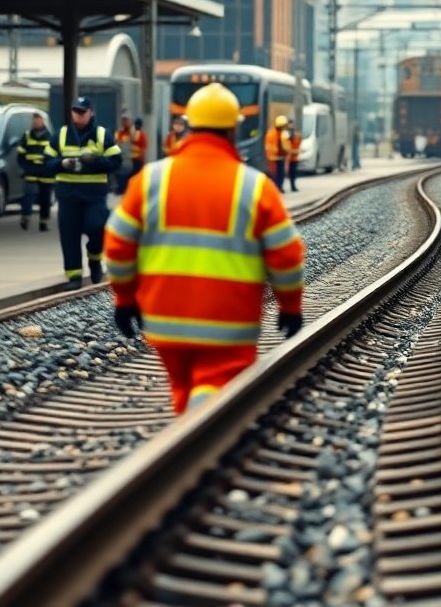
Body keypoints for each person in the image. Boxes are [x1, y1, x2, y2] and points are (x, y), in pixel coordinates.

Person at [104, 83, 305, 415]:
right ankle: (195, 444)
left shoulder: (151, 180)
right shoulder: (254, 186)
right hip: (229, 325)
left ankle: (185, 442)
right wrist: (290, 306)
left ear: (189, 127)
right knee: (214, 393)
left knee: (184, 389)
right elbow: (287, 255)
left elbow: (117, 245)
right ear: (233, 128)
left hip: (164, 322)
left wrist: (125, 300)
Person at [44, 96, 122, 291]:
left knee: (96, 227)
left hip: (94, 196)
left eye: (82, 112)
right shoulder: (61, 135)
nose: (78, 116)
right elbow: (46, 164)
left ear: (91, 113)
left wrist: (94, 160)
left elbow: (116, 162)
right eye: (75, 112)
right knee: (69, 236)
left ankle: (94, 258)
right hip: (68, 196)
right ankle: (74, 275)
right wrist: (62, 164)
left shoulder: (102, 135)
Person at [18, 112, 54, 232]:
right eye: (34, 121)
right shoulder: (27, 136)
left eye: (38, 120)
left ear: (43, 122)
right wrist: (26, 167)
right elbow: (21, 154)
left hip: (45, 173)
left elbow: (54, 155)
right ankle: (25, 218)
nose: (36, 123)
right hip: (31, 171)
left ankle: (43, 223)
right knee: (28, 195)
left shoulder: (50, 137)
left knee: (45, 199)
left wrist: (48, 168)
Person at [264, 114, 292, 191]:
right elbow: (269, 146)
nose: (285, 128)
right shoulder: (271, 134)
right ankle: (276, 187)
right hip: (273, 158)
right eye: (283, 126)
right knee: (274, 174)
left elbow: (286, 145)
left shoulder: (282, 134)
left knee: (281, 174)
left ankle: (280, 187)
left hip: (280, 157)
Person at [286, 125, 302, 192]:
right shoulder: (286, 137)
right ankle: (292, 186)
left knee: (293, 173)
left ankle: (293, 186)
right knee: (290, 173)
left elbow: (298, 144)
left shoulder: (297, 136)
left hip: (294, 158)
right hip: (289, 158)